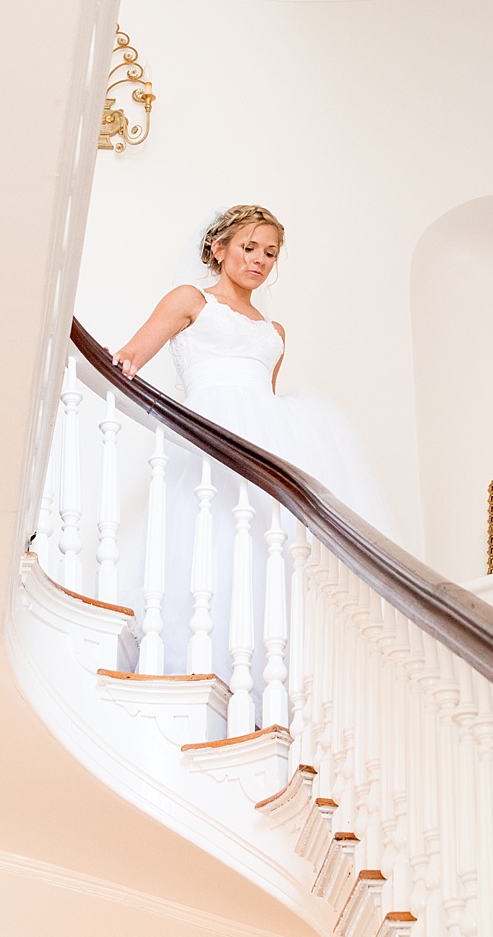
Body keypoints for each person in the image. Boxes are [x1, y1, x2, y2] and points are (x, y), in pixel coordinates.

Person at [111, 205, 388, 679]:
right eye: (248, 248)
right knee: (206, 540)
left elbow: (267, 400)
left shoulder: (274, 332)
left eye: (270, 253)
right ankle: (194, 665)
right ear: (219, 250)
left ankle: (257, 671)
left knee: (262, 548)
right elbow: (133, 354)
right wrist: (121, 367)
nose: (259, 260)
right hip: (211, 434)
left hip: (264, 442)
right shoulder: (190, 299)